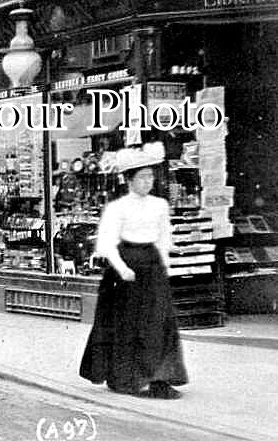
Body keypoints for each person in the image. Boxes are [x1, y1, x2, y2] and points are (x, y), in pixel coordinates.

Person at [80, 143, 188, 399]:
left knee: (157, 322)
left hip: (151, 266)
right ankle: (125, 376)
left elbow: (164, 238)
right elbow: (106, 243)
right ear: (129, 180)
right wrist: (122, 268)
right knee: (126, 324)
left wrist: (165, 268)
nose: (147, 181)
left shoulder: (160, 205)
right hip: (125, 266)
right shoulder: (118, 208)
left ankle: (159, 377)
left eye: (151, 176)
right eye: (142, 177)